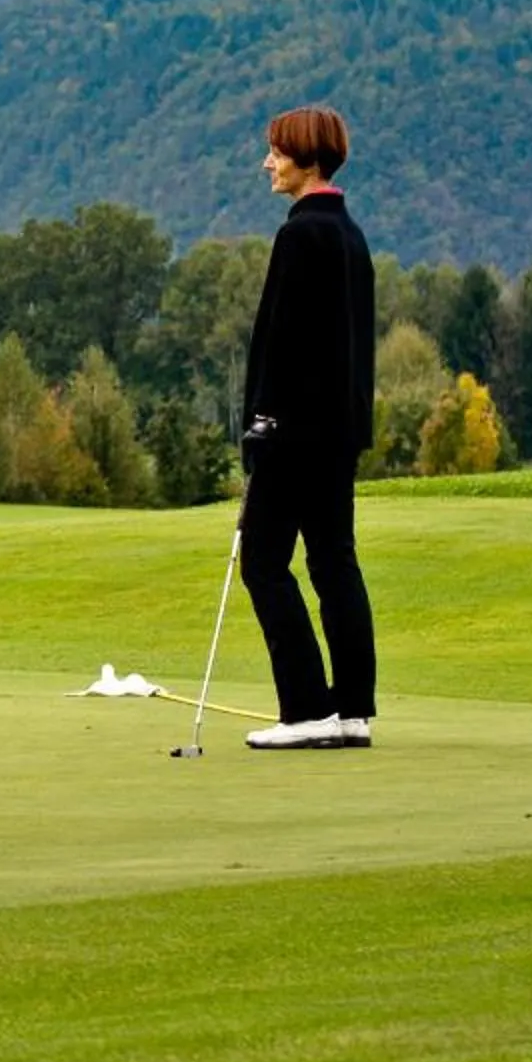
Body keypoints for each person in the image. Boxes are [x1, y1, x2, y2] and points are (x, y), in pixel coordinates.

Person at [236, 106, 378, 751]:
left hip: (293, 431)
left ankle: (305, 710)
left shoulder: (299, 236)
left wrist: (261, 425)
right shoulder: (349, 234)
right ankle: (351, 710)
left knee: (263, 561)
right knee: (332, 561)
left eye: (277, 152)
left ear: (306, 160)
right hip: (339, 433)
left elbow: (282, 344)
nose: (268, 162)